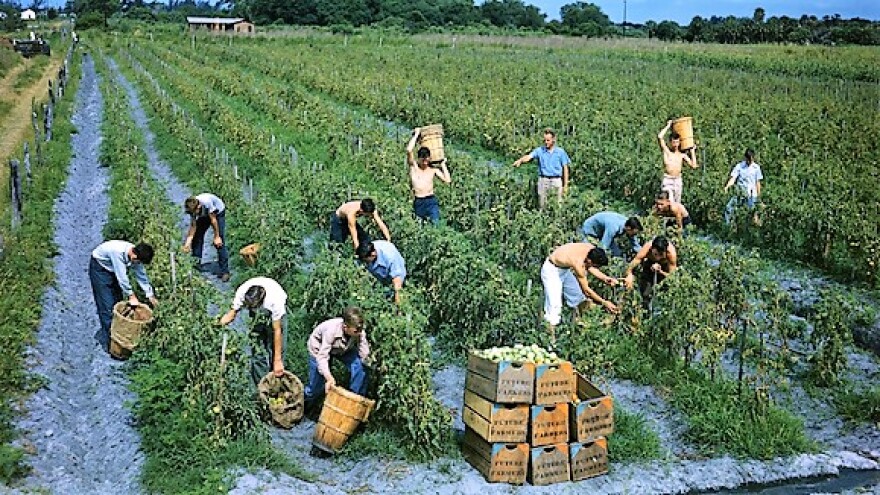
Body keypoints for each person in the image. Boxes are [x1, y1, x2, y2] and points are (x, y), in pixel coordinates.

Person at [89, 241, 158, 352]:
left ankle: (121, 341)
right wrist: (131, 295)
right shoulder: (117, 252)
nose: (137, 263)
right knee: (107, 306)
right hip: (100, 269)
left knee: (118, 301)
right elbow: (122, 276)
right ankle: (111, 345)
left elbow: (141, 275)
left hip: (111, 269)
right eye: (138, 261)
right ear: (134, 255)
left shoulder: (136, 255)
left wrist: (150, 295)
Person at [219, 277, 287, 384]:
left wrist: (277, 360)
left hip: (274, 317)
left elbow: (277, 330)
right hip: (258, 316)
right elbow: (231, 314)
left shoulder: (275, 300)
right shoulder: (242, 292)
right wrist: (218, 324)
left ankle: (276, 382)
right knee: (257, 349)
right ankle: (261, 385)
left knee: (276, 350)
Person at [541, 243, 619, 333]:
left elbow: (590, 267)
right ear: (589, 261)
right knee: (554, 307)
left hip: (564, 270)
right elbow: (587, 291)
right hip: (551, 271)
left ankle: (578, 326)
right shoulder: (578, 263)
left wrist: (605, 278)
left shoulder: (591, 249)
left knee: (578, 297)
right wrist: (604, 302)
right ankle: (550, 340)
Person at [304, 306, 370, 408]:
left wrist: (370, 364)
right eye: (356, 331)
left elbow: (364, 354)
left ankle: (354, 399)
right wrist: (329, 378)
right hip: (319, 348)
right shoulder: (331, 331)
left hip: (343, 348)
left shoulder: (359, 331)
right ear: (345, 327)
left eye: (360, 330)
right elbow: (322, 357)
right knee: (315, 387)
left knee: (359, 366)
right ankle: (303, 404)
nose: (359, 333)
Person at [512, 128, 571, 209]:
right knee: (542, 204)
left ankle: (557, 220)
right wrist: (520, 160)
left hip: (556, 180)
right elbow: (529, 156)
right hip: (543, 180)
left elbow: (565, 169)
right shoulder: (539, 150)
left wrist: (566, 185)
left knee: (558, 204)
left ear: (553, 140)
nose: (546, 142)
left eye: (548, 140)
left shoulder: (560, 152)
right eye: (545, 140)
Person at [406, 128, 452, 224]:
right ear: (419, 158)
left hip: (431, 201)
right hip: (419, 201)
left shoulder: (433, 170)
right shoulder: (414, 167)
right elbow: (409, 150)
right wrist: (416, 134)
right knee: (419, 226)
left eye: (427, 160)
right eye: (423, 160)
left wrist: (443, 165)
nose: (425, 162)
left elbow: (447, 180)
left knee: (435, 224)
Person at [182, 193, 229, 282]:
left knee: (219, 243)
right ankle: (196, 265)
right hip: (205, 214)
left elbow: (213, 220)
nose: (193, 214)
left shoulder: (207, 202)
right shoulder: (192, 207)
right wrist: (187, 243)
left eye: (194, 212)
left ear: (199, 207)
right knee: (197, 238)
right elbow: (193, 226)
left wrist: (216, 236)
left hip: (218, 213)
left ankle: (225, 271)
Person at [624, 236, 678, 309]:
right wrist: (629, 275)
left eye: (661, 255)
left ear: (666, 252)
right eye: (655, 254)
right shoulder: (647, 247)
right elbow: (635, 261)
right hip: (649, 265)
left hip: (663, 269)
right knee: (645, 294)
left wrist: (660, 272)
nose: (658, 258)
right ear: (652, 249)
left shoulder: (671, 254)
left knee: (664, 295)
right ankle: (645, 312)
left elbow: (672, 277)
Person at [657, 120, 698, 204]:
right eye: (674, 142)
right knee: (669, 200)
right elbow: (660, 137)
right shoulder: (667, 152)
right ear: (671, 142)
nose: (675, 144)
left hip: (677, 180)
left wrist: (692, 151)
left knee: (677, 203)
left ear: (679, 142)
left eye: (677, 142)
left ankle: (674, 217)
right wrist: (668, 126)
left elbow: (694, 165)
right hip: (668, 179)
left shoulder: (682, 155)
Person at [356, 240, 406, 304]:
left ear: (373, 255)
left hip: (395, 271)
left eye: (365, 261)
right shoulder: (366, 250)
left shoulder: (390, 257)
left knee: (397, 294)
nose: (364, 262)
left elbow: (397, 281)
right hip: (381, 275)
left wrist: (398, 305)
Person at [724, 148, 763, 225]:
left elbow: (757, 183)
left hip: (752, 195)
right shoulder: (739, 166)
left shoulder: (756, 168)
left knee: (752, 215)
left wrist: (759, 197)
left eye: (751, 160)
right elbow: (733, 178)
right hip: (740, 194)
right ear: (745, 158)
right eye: (748, 159)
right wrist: (727, 186)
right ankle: (729, 227)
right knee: (729, 208)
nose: (749, 162)